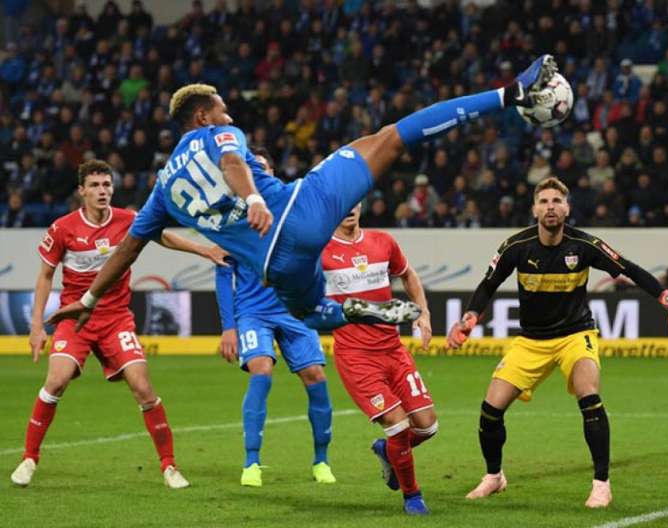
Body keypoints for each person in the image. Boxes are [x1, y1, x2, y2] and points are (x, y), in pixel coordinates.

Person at [46, 55, 559, 334]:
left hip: (279, 268)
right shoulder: (215, 134)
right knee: (391, 136)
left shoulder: (161, 192)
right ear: (202, 116)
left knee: (310, 315)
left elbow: (129, 248)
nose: (230, 115)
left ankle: (358, 311)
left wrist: (88, 298)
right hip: (297, 210)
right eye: (223, 109)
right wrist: (252, 199)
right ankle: (510, 94)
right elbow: (230, 163)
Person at [447, 177, 668, 507]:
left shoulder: (584, 245)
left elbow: (629, 268)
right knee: (490, 410)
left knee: (589, 395)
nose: (550, 207)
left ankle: (601, 484)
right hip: (531, 340)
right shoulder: (516, 247)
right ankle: (494, 477)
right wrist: (470, 317)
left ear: (567, 208)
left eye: (557, 201)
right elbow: (487, 285)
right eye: (544, 201)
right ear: (534, 209)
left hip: (575, 334)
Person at [10, 160, 228, 489]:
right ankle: (29, 458)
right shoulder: (63, 228)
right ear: (81, 191)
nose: (103, 191)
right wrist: (37, 326)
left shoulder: (128, 220)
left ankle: (169, 466)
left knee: (143, 387)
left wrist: (204, 249)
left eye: (107, 185)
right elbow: (44, 276)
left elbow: (163, 237)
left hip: (115, 320)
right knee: (56, 381)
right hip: (77, 319)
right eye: (95, 186)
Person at [214, 150, 335, 488]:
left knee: (315, 376)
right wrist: (228, 326)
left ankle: (321, 460)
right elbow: (224, 274)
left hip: (293, 310)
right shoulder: (231, 220)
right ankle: (252, 462)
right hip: (254, 313)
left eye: (261, 169)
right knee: (262, 371)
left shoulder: (290, 209)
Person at [321, 204, 436, 515]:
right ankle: (412, 495)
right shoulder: (319, 251)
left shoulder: (383, 242)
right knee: (398, 425)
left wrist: (423, 313)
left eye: (354, 200)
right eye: (342, 202)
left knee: (427, 427)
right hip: (356, 357)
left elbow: (408, 275)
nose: (348, 208)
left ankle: (387, 451)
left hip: (394, 350)